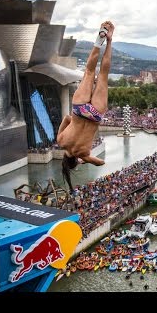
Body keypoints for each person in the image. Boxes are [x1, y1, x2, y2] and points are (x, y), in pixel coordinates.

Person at [57, 21, 115, 192]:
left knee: (103, 75)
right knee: (89, 72)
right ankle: (100, 40)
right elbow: (67, 118)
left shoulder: (84, 154)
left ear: (76, 162)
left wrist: (85, 159)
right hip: (79, 109)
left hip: (95, 114)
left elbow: (101, 162)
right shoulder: (61, 141)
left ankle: (110, 40)